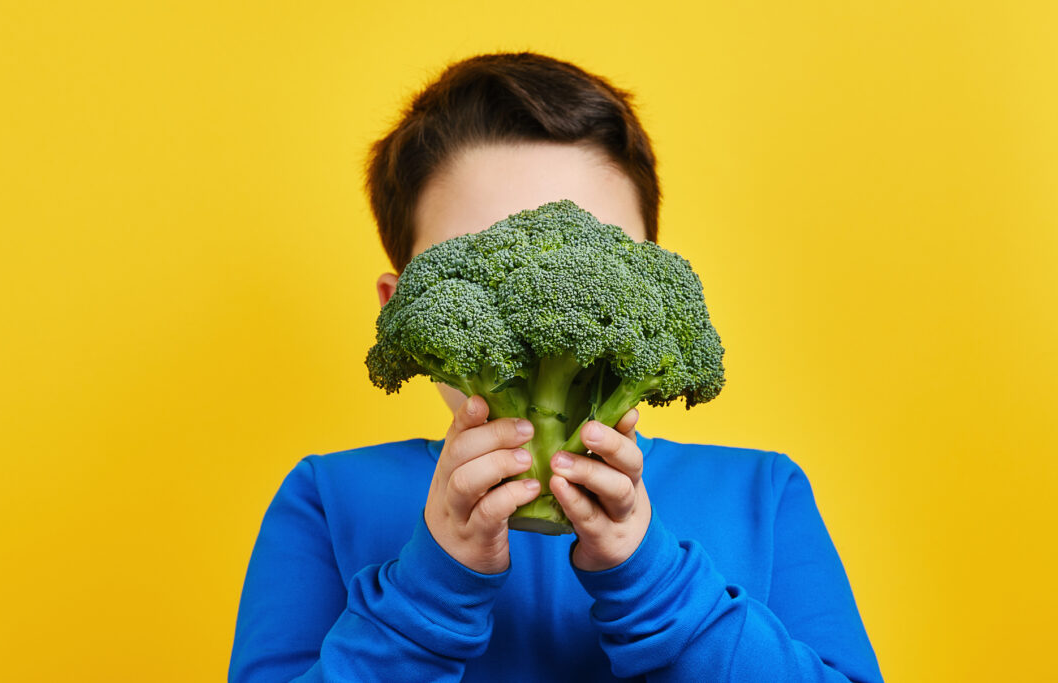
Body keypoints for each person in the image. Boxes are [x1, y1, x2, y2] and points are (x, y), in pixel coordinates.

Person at [229, 51, 883, 682]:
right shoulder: (324, 497)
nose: (542, 308)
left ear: (650, 284)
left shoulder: (763, 494)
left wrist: (653, 577)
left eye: (591, 257)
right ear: (401, 304)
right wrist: (429, 588)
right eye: (484, 258)